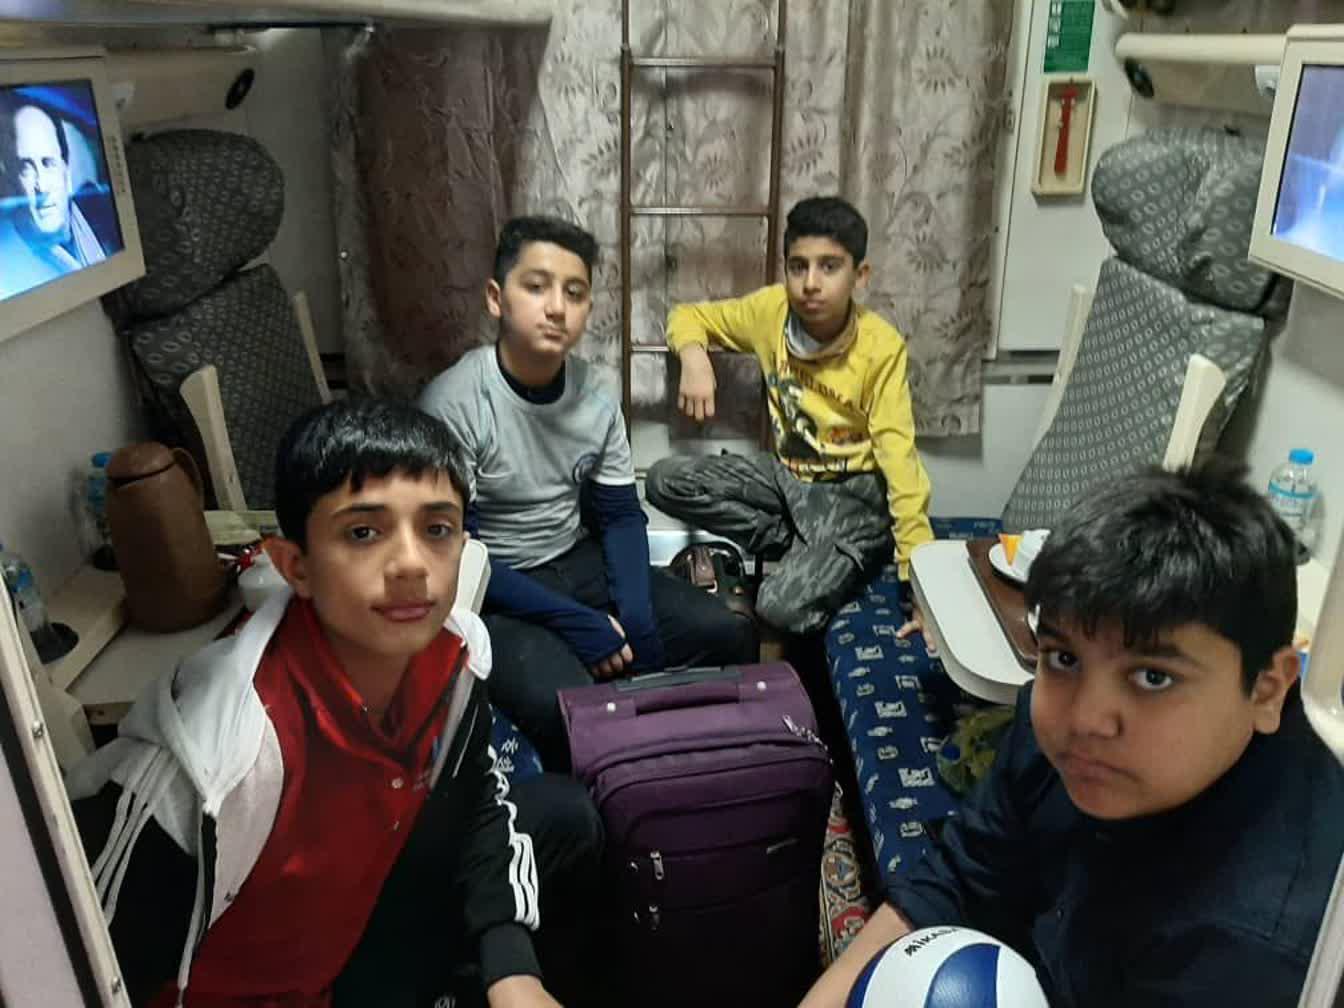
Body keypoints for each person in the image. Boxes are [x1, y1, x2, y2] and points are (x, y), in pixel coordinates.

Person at [65, 398, 603, 1008]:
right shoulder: (217, 766)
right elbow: (84, 966)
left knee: (564, 815)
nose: (410, 565)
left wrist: (512, 971)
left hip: (353, 932)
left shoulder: (453, 657)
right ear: (294, 566)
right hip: (253, 987)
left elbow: (479, 797)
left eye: (437, 529)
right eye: (363, 532)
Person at [799, 462, 1344, 1008]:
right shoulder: (1053, 732)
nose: (1086, 719)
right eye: (1064, 657)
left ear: (1267, 691)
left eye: (1152, 677)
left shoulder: (1254, 949)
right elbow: (955, 879)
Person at [419, 215, 757, 770]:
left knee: (726, 633)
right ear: (496, 299)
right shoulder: (455, 403)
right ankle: (607, 805)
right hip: (498, 582)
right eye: (537, 286)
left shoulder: (596, 395)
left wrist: (636, 619)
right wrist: (579, 623)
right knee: (569, 705)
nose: (557, 307)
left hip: (576, 558)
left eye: (574, 293)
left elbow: (620, 516)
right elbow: (458, 553)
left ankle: (715, 778)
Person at [644, 196, 934, 637]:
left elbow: (901, 461)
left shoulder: (880, 347)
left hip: (851, 495)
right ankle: (806, 543)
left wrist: (922, 584)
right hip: (787, 476)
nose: (810, 283)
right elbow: (688, 315)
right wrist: (694, 356)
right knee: (663, 480)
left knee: (777, 608)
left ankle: (855, 545)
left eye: (829, 267)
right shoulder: (771, 311)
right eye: (798, 267)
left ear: (860, 276)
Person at [0, 94, 115, 300]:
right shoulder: (7, 271)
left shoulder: (101, 214)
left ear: (66, 171)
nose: (42, 186)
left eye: (48, 163)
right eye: (26, 168)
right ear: (10, 180)